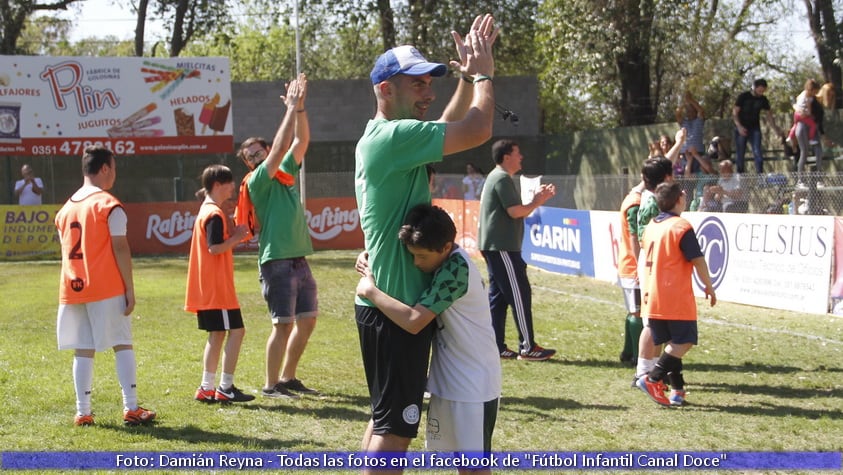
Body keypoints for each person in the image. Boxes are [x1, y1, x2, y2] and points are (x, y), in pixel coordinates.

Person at [354, 14, 497, 465]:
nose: (427, 92)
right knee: (394, 434)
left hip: (385, 309)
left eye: (431, 82)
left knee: (385, 423)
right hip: (395, 313)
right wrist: (482, 75)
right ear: (384, 89)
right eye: (416, 84)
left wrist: (463, 82)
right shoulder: (395, 138)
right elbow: (476, 130)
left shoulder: (390, 136)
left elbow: (444, 126)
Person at [356, 204, 501, 471]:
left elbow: (414, 322)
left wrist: (370, 291)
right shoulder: (443, 261)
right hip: (448, 383)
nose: (416, 263)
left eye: (421, 256)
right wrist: (368, 256)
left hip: (474, 386)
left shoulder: (456, 269)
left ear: (446, 247)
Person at [54, 145, 156, 426]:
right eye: (114, 168)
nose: (115, 175)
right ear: (105, 169)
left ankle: (83, 412)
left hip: (72, 288)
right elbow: (120, 248)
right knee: (122, 342)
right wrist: (129, 289)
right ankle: (132, 407)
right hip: (105, 286)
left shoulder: (65, 208)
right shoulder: (108, 204)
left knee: (82, 349)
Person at [236, 74, 320, 399]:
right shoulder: (258, 180)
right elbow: (285, 145)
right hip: (276, 261)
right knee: (282, 325)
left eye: (260, 152)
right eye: (251, 157)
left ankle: (288, 378)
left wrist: (300, 109)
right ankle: (271, 386)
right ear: (249, 164)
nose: (257, 158)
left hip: (298, 258)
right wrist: (289, 107)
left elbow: (300, 143)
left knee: (307, 321)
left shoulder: (285, 172)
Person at [636, 181, 716, 407]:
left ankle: (677, 391)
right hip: (673, 295)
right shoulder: (681, 227)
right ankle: (652, 379)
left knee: (672, 341)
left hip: (653, 295)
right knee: (684, 341)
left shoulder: (652, 225)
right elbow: (698, 260)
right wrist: (708, 285)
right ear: (680, 199)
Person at [479, 139, 557, 361]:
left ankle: (496, 345)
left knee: (499, 297)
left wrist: (535, 200)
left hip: (496, 246)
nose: (521, 157)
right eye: (517, 153)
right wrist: (537, 200)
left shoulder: (498, 177)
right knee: (519, 294)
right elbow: (515, 212)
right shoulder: (501, 178)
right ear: (506, 157)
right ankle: (528, 346)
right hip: (501, 247)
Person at [185, 164, 254, 404]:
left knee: (217, 335)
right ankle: (225, 387)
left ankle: (207, 387)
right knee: (236, 331)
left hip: (209, 287)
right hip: (217, 289)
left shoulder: (207, 210)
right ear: (217, 185)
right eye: (229, 183)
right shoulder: (213, 213)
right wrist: (237, 237)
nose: (233, 187)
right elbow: (214, 248)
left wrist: (232, 234)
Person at [633, 155, 675, 385]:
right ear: (667, 177)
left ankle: (656, 369)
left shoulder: (653, 199)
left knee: (659, 321)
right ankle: (642, 371)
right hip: (652, 266)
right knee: (651, 322)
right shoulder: (653, 203)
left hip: (656, 265)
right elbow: (645, 238)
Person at [617, 180, 644, 366]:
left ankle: (627, 353)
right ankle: (637, 356)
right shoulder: (635, 203)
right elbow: (634, 236)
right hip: (632, 267)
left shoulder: (632, 197)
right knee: (637, 313)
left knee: (632, 311)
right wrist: (639, 266)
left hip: (627, 265)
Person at [732, 78, 784, 174]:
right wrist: (739, 126)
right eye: (759, 90)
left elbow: (769, 116)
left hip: (754, 128)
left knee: (758, 152)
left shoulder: (763, 99)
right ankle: (740, 177)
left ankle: (759, 176)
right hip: (742, 127)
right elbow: (735, 113)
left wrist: (776, 129)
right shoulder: (743, 96)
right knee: (740, 153)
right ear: (754, 88)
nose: (761, 93)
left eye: (763, 91)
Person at [786, 79, 821, 147]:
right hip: (802, 114)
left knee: (795, 125)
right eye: (815, 92)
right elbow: (809, 108)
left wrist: (797, 108)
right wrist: (810, 114)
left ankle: (790, 136)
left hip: (796, 113)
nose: (815, 94)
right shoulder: (808, 97)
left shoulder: (802, 93)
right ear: (811, 90)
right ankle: (811, 139)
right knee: (813, 125)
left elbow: (797, 99)